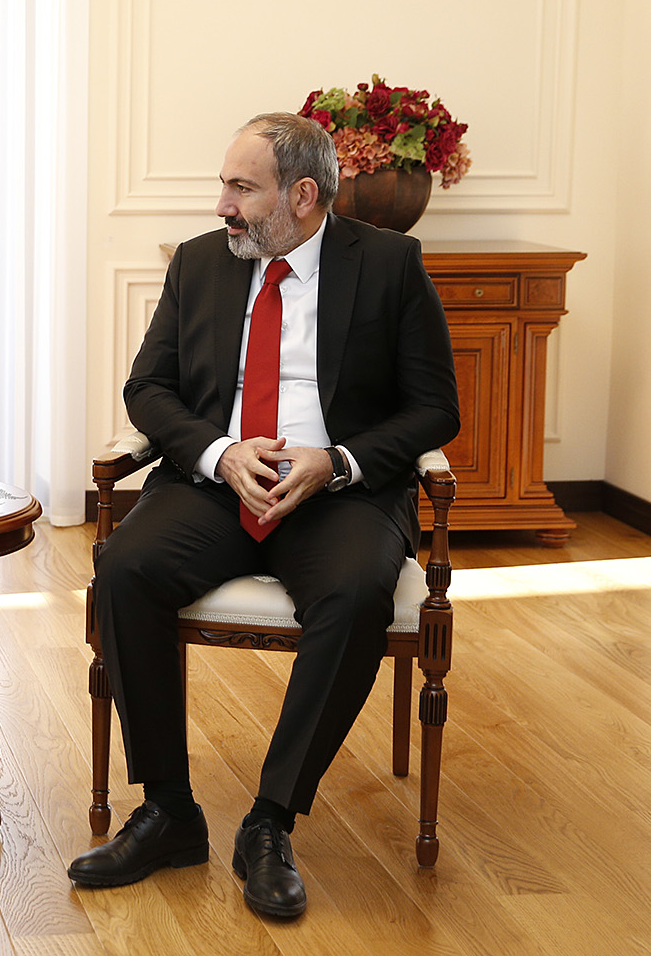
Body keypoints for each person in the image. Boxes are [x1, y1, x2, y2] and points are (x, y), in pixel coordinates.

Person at [66, 112, 459, 918]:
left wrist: (336, 460)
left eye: (242, 188)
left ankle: (271, 821)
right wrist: (219, 453)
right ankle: (169, 811)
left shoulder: (389, 265)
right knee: (125, 568)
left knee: (356, 593)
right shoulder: (201, 262)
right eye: (225, 185)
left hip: (338, 493)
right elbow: (148, 388)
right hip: (218, 485)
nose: (223, 205)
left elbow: (434, 408)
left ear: (302, 196)